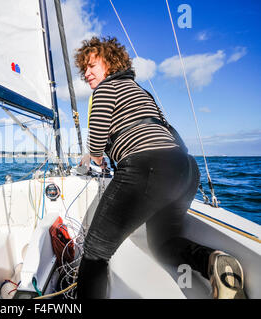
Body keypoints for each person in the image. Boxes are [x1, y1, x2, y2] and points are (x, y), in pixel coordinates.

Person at [74, 36, 246, 299]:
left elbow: (96, 142)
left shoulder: (106, 89)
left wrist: (94, 158)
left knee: (95, 252)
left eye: (92, 66)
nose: (86, 74)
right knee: (162, 243)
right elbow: (170, 134)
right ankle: (213, 261)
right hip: (185, 170)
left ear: (110, 64)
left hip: (147, 168)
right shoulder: (142, 92)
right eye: (83, 69)